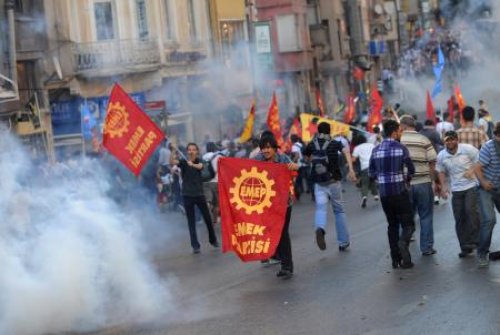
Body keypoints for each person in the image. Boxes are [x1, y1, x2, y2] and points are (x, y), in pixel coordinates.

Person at [369, 119, 416, 269]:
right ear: (395, 132)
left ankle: (395, 259)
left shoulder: (375, 150)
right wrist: (406, 180)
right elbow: (411, 169)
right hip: (400, 192)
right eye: (399, 131)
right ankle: (403, 243)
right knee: (408, 224)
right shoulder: (401, 148)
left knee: (392, 225)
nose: (400, 134)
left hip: (384, 195)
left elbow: (371, 173)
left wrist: (381, 179)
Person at [303, 122, 356, 252]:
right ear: (329, 131)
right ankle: (343, 242)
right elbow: (346, 152)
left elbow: (307, 157)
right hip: (333, 181)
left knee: (321, 208)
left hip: (318, 183)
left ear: (318, 130)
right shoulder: (334, 143)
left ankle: (320, 228)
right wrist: (351, 169)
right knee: (338, 210)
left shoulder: (312, 143)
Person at [254, 134, 299, 279]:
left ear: (274, 148)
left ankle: (287, 266)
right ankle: (279, 257)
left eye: (268, 148)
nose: (266, 151)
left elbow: (296, 170)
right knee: (274, 233)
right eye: (263, 148)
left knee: (282, 233)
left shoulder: (283, 158)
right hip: (267, 204)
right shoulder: (257, 160)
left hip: (284, 202)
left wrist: (294, 167)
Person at [436, 130, 480, 258]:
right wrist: (443, 187)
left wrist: (472, 170)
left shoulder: (467, 149)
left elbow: (479, 160)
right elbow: (441, 171)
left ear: (457, 140)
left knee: (471, 212)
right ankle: (465, 246)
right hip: (456, 189)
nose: (450, 142)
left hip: (471, 186)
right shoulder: (442, 155)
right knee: (459, 218)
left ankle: (477, 241)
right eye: (447, 140)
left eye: (452, 139)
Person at [170, 143, 219, 254]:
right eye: (189, 150)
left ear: (197, 151)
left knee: (207, 219)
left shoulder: (199, 160)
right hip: (187, 195)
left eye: (193, 150)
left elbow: (201, 167)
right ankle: (195, 246)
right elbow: (172, 162)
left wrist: (192, 164)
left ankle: (213, 240)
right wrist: (173, 150)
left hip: (199, 194)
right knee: (191, 222)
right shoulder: (183, 162)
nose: (191, 151)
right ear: (187, 152)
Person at [400, 115, 438, 256]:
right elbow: (432, 161)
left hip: (405, 185)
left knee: (405, 216)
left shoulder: (399, 140)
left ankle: (403, 244)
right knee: (426, 216)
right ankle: (427, 248)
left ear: (403, 126)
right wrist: (433, 180)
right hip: (423, 183)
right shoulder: (423, 139)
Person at [474, 122, 500, 267]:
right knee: (489, 220)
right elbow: (477, 168)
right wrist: (483, 182)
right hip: (486, 189)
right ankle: (482, 253)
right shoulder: (489, 147)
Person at [352, 134, 378, 208]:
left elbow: (353, 159)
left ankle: (364, 196)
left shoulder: (357, 147)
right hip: (373, 166)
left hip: (364, 167)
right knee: (372, 180)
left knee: (365, 183)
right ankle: (375, 195)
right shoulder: (371, 145)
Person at [202, 142, 223, 224]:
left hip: (205, 182)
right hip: (216, 181)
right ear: (214, 147)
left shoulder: (203, 157)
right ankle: (215, 220)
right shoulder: (218, 156)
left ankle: (207, 205)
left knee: (208, 200)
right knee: (217, 204)